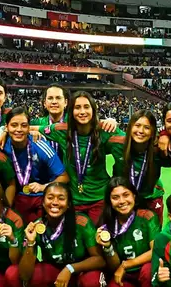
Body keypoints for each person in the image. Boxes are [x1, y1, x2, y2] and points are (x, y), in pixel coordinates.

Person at [6, 182, 104, 287]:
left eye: (61, 198)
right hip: (56, 279)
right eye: (50, 197)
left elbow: (99, 259)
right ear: (43, 203)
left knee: (91, 280)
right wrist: (30, 243)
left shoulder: (82, 223)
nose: (55, 203)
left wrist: (70, 268)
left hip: (80, 275)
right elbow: (24, 274)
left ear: (69, 203)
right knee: (36, 273)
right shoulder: (38, 226)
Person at [78, 178, 158, 287]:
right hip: (123, 277)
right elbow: (113, 266)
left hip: (146, 273)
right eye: (115, 197)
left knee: (149, 270)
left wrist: (126, 264)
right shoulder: (106, 224)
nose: (122, 201)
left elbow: (155, 251)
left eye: (126, 195)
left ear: (134, 196)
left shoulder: (147, 217)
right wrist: (107, 247)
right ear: (109, 201)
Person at [43, 92, 124, 222]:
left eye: (86, 107)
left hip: (100, 199)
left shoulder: (105, 130)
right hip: (74, 200)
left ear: (93, 109)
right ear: (71, 111)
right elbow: (30, 129)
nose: (82, 111)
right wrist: (5, 131)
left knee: (97, 239)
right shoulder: (62, 131)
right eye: (77, 107)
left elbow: (132, 140)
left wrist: (111, 121)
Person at [0, 106, 66, 222]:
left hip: (41, 198)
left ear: (29, 128)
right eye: (14, 125)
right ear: (7, 127)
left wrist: (43, 186)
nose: (19, 129)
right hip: (16, 197)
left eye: (24, 125)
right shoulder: (2, 147)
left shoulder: (40, 145)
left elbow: (64, 177)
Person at [110, 109, 166, 221]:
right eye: (137, 125)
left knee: (151, 234)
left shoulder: (159, 150)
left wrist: (165, 135)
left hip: (150, 199)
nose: (141, 131)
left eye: (147, 127)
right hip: (122, 200)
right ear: (130, 127)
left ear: (152, 132)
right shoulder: (116, 142)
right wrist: (108, 121)